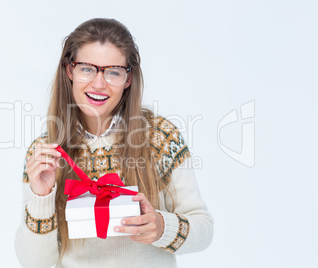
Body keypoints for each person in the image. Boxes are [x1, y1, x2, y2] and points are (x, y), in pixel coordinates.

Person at [14, 18, 213, 268]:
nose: (99, 83)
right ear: (69, 70)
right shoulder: (46, 152)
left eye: (113, 72)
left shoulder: (160, 137)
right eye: (87, 68)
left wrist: (162, 227)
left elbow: (203, 230)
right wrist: (41, 197)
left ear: (128, 79)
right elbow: (35, 263)